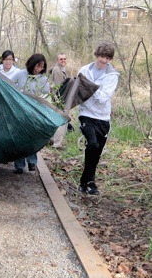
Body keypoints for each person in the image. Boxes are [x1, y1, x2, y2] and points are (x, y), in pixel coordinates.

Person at [77, 42, 119, 195]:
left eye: (107, 58)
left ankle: (86, 181)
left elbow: (103, 98)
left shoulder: (112, 76)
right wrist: (93, 89)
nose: (104, 61)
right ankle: (90, 182)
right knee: (92, 144)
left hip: (103, 117)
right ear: (96, 55)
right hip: (86, 114)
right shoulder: (84, 70)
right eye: (102, 57)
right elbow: (79, 90)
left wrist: (89, 87)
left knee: (97, 151)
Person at [11, 53, 50, 174]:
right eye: (37, 66)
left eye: (41, 67)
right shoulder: (20, 74)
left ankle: (32, 161)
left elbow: (46, 95)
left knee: (32, 137)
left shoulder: (43, 79)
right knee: (19, 137)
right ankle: (19, 165)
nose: (39, 69)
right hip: (20, 110)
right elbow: (10, 86)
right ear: (31, 64)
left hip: (35, 112)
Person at [50, 53, 69, 149]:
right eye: (61, 59)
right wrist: (62, 102)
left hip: (59, 99)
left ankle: (52, 139)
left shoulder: (62, 70)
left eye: (65, 59)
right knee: (62, 121)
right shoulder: (57, 70)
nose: (63, 61)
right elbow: (59, 88)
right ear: (57, 60)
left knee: (57, 120)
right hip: (60, 100)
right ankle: (57, 143)